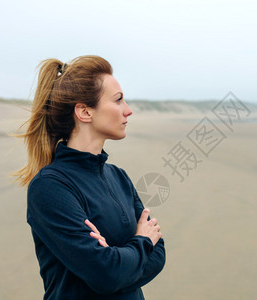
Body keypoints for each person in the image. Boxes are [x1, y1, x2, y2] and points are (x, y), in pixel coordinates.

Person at [14, 55, 165, 300]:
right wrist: (140, 243)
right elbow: (106, 274)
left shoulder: (118, 177)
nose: (128, 110)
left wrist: (118, 259)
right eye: (118, 101)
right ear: (85, 112)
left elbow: (158, 255)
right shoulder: (50, 187)